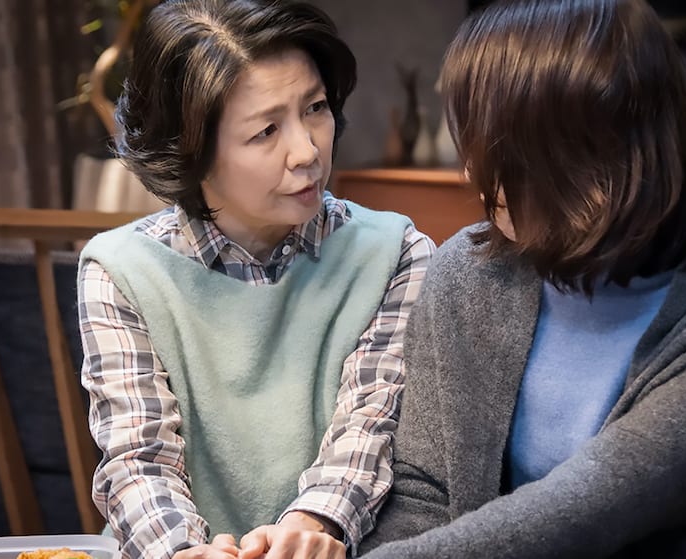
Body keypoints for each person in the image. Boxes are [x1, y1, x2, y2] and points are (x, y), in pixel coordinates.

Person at [357, 0, 686, 557]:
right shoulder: (467, 271)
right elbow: (424, 491)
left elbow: (592, 505)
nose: (473, 173)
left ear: (593, 156)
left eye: (500, 149)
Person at [76, 1, 434, 558]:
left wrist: (312, 525)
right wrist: (181, 551)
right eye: (266, 130)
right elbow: (138, 458)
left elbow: (370, 426)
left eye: (316, 107)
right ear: (189, 149)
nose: (307, 151)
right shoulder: (120, 270)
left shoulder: (396, 252)